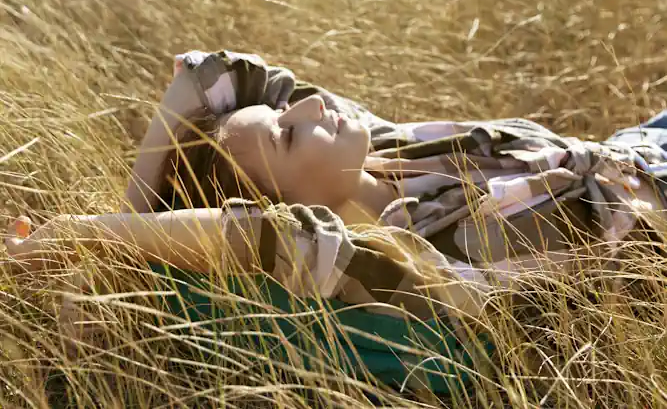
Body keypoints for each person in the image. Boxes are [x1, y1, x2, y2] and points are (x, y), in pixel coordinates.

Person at [6, 48, 667, 332]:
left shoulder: (382, 148)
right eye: (288, 136)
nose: (309, 107)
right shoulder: (407, 262)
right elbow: (268, 238)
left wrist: (129, 207)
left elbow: (216, 73)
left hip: (646, 143)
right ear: (299, 205)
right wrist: (92, 236)